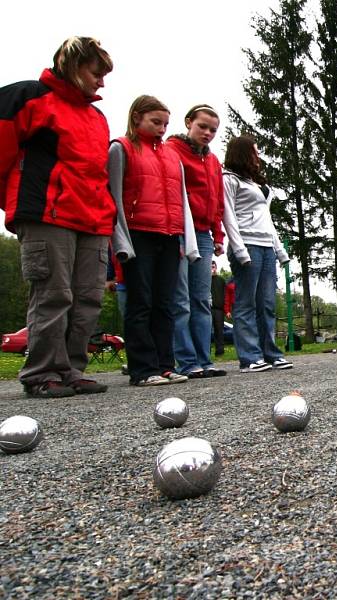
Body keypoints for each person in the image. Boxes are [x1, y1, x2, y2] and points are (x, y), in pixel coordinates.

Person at [0, 38, 115, 398]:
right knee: (53, 294)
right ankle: (42, 372)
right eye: (96, 73)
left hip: (94, 219)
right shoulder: (28, 97)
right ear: (73, 64)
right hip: (48, 215)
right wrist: (13, 201)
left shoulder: (97, 117)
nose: (102, 82)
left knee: (87, 297)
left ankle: (71, 368)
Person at [110, 95, 196, 387]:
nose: (161, 128)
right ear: (137, 118)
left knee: (165, 302)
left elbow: (181, 199)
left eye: (165, 124)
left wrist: (186, 240)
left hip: (169, 235)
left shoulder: (172, 156)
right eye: (155, 122)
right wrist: (120, 239)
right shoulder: (122, 148)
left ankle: (164, 364)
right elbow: (114, 195)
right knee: (140, 301)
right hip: (138, 233)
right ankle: (143, 368)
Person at [222, 135, 292, 372]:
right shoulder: (229, 179)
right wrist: (239, 248)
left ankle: (271, 353)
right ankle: (250, 357)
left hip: (266, 246)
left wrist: (279, 250)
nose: (258, 156)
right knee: (246, 303)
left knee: (267, 303)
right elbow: (228, 215)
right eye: (254, 152)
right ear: (242, 153)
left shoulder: (257, 182)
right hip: (247, 244)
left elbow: (267, 219)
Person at [167, 105, 226, 378]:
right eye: (202, 126)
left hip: (203, 233)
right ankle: (186, 361)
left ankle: (204, 359)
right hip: (178, 229)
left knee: (202, 298)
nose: (207, 133)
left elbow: (216, 199)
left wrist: (218, 234)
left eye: (213, 130)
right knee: (180, 300)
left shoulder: (213, 161)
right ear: (189, 122)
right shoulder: (172, 151)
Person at [210, 261, 227, 356]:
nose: (212, 268)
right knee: (206, 330)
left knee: (219, 330)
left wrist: (226, 309)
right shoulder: (205, 279)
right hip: (208, 309)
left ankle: (220, 351)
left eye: (214, 266)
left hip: (219, 309)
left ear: (216, 267)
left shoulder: (221, 280)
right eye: (211, 267)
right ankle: (205, 351)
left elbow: (225, 294)